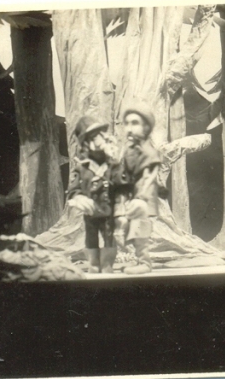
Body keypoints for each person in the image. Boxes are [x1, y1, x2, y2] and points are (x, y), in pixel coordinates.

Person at [67, 116, 118, 274]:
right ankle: (94, 263)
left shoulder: (112, 164)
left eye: (100, 134)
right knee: (91, 237)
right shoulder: (82, 168)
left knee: (109, 236)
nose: (99, 139)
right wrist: (78, 198)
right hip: (91, 212)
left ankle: (107, 263)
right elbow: (73, 189)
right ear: (86, 143)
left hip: (108, 211)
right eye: (93, 136)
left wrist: (115, 159)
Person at [116, 100, 162, 275]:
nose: (129, 128)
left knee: (139, 227)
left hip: (144, 196)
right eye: (126, 123)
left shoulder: (148, 151)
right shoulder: (129, 150)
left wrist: (141, 197)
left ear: (146, 127)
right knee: (130, 227)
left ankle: (145, 262)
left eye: (134, 123)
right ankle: (135, 259)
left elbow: (149, 177)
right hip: (132, 195)